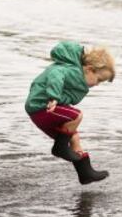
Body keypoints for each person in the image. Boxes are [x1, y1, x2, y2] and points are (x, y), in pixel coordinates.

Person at [25, 41, 115, 185]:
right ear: (90, 69)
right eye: (99, 80)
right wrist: (53, 96)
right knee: (76, 115)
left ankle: (85, 173)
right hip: (40, 106)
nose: (97, 84)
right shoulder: (74, 71)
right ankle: (59, 148)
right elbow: (55, 73)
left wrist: (59, 99)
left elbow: (67, 96)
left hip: (43, 109)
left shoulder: (79, 77)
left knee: (74, 138)